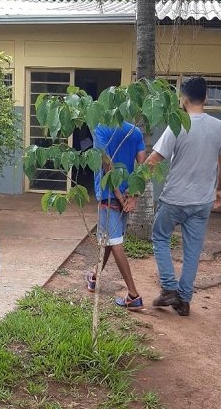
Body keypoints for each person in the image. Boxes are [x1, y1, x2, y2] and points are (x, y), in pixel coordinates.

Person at [145, 76, 221, 316]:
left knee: (160, 237)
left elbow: (153, 160)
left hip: (174, 199)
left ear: (183, 99)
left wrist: (135, 185)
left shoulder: (177, 124)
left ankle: (169, 289)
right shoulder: (219, 127)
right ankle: (183, 300)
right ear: (206, 98)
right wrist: (219, 189)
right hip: (202, 201)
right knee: (192, 251)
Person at [86, 121, 146, 309]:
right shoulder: (135, 131)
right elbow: (143, 166)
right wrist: (133, 195)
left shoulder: (100, 129)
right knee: (110, 239)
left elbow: (107, 165)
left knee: (114, 242)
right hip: (128, 196)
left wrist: (119, 197)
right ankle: (94, 276)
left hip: (110, 195)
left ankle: (133, 295)